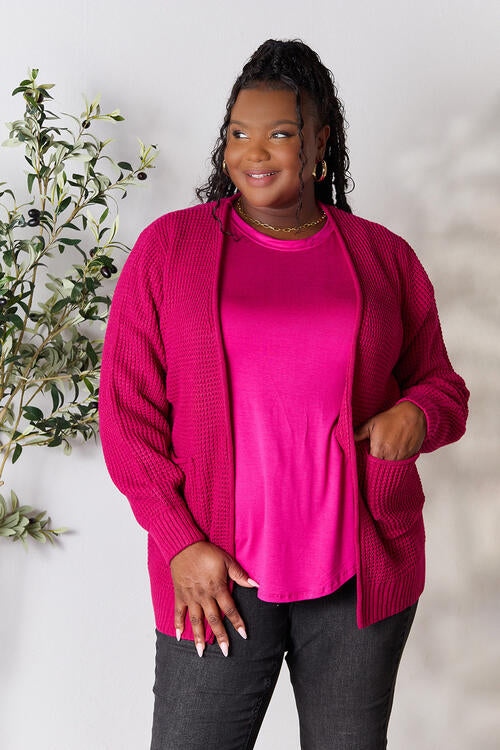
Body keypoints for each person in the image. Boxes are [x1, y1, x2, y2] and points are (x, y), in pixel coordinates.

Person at [98, 38, 470, 750]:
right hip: (215, 578)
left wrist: (416, 415)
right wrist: (180, 544)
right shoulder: (169, 251)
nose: (254, 153)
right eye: (239, 133)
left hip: (357, 579)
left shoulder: (382, 257)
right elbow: (125, 414)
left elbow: (442, 385)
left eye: (279, 133)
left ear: (320, 142)